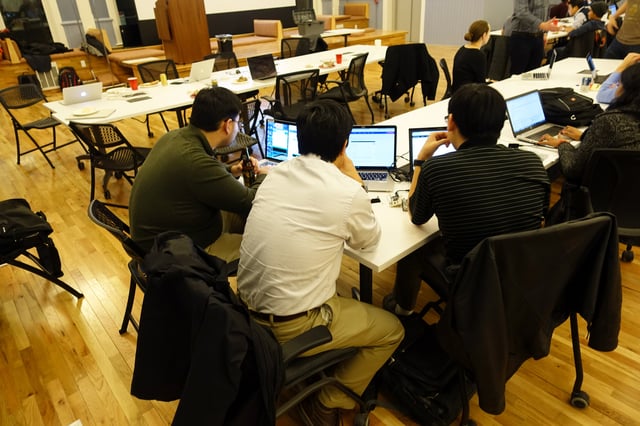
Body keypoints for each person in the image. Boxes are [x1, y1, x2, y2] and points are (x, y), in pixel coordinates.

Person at [237, 99, 404, 425]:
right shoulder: (347, 191)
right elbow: (368, 241)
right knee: (392, 330)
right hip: (290, 325)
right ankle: (328, 400)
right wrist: (355, 179)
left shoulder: (276, 174)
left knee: (335, 292)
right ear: (345, 145)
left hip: (244, 312)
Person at [384, 84, 550, 316]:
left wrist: (421, 160)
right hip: (519, 273)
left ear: (451, 122)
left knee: (414, 246)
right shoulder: (532, 162)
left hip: (468, 279)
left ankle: (403, 308)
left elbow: (417, 216)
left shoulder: (437, 169)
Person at [129, 86, 268, 262]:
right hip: (174, 255)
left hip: (163, 238)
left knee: (250, 219)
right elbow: (250, 201)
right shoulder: (195, 161)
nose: (238, 128)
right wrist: (264, 174)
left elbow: (201, 176)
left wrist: (231, 170)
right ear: (227, 125)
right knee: (267, 247)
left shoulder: (175, 136)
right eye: (238, 123)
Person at [539, 54, 640, 182]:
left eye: (620, 84)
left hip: (599, 196)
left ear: (627, 91)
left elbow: (572, 169)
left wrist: (562, 145)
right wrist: (585, 137)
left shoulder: (610, 122)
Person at [510, 0, 561, 75]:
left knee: (534, 73)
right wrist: (541, 25)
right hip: (522, 37)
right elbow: (521, 12)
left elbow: (545, 11)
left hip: (538, 37)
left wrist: (545, 32)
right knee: (518, 74)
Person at [452, 20, 491, 93]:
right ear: (484, 35)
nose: (489, 36)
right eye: (489, 33)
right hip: (468, 94)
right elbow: (481, 84)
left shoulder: (463, 48)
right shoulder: (478, 55)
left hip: (458, 90)